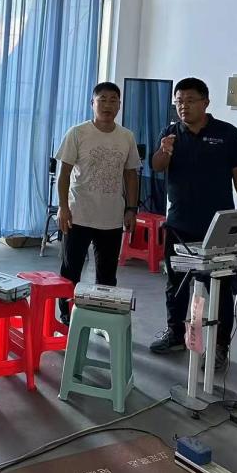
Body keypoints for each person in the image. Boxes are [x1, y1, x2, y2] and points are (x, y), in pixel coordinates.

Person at [148, 77, 237, 371]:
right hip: (179, 224)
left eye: (190, 100)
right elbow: (157, 166)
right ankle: (175, 334)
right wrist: (164, 150)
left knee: (219, 287)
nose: (183, 106)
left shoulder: (226, 133)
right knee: (176, 283)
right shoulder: (170, 133)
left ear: (205, 102)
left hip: (218, 227)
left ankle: (220, 346)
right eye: (179, 102)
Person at [56, 82, 140, 321]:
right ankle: (67, 316)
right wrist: (63, 207)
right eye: (102, 99)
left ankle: (104, 318)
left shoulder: (126, 137)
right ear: (92, 103)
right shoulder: (77, 133)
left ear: (119, 105)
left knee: (107, 275)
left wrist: (131, 209)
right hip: (78, 215)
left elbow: (131, 175)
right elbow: (64, 173)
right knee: (71, 270)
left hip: (111, 218)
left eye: (113, 100)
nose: (107, 105)